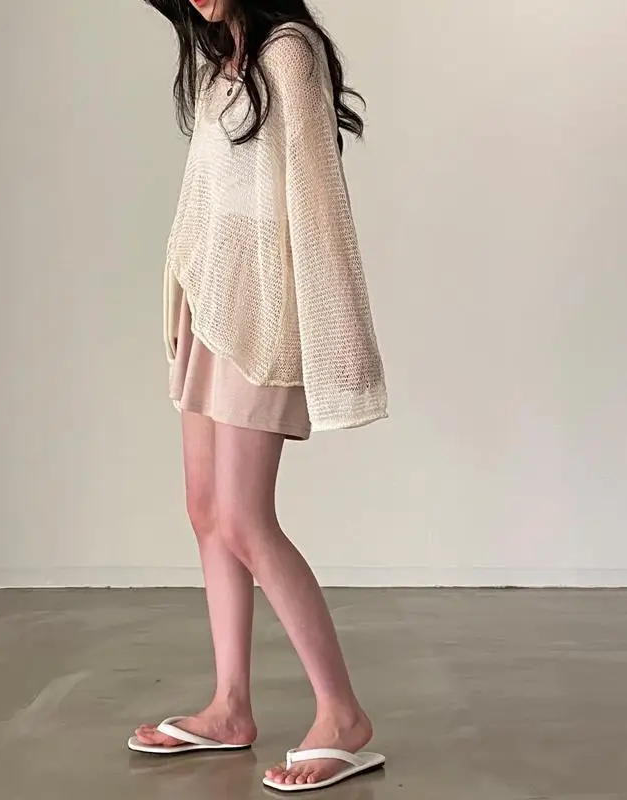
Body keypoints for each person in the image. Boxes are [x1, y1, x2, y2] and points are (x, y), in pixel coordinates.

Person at [128, 0, 388, 792]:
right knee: (205, 509)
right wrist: (181, 299)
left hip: (266, 316)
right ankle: (229, 706)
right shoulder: (222, 69)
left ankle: (342, 715)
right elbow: (206, 206)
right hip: (212, 311)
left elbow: (315, 208)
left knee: (245, 518)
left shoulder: (289, 54)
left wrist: (327, 340)